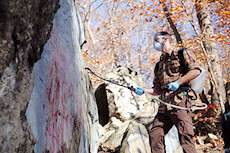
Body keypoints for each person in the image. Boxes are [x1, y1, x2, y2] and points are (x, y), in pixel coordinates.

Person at [134, 31, 202, 153]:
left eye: (156, 40)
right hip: (164, 106)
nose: (154, 43)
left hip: (180, 101)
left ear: (165, 39)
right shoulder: (158, 65)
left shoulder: (181, 53)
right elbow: (157, 90)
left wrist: (178, 82)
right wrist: (143, 90)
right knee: (155, 134)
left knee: (185, 135)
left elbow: (196, 71)